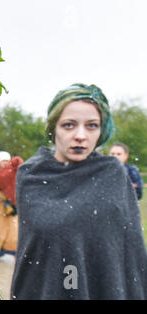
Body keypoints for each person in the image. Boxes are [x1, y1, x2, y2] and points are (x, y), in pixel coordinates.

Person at [11, 83, 147, 299]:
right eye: (68, 125)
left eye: (92, 125)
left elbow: (130, 249)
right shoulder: (32, 176)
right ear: (53, 128)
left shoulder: (113, 174)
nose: (80, 135)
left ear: (102, 130)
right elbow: (37, 248)